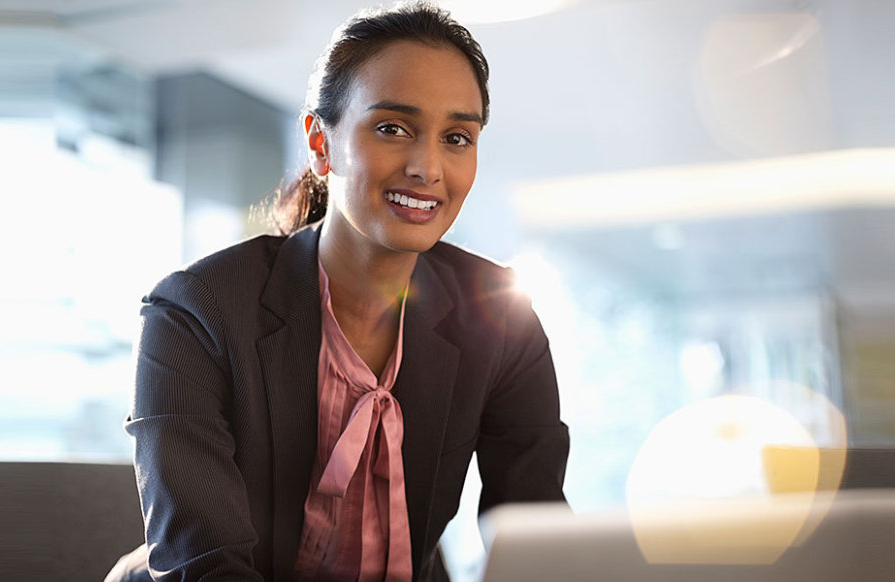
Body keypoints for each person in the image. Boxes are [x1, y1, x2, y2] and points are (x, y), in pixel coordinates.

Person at [106, 3, 569, 581]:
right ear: (321, 143)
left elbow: (538, 536)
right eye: (392, 128)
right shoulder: (195, 312)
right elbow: (204, 566)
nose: (428, 168)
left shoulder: (500, 316)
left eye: (457, 137)